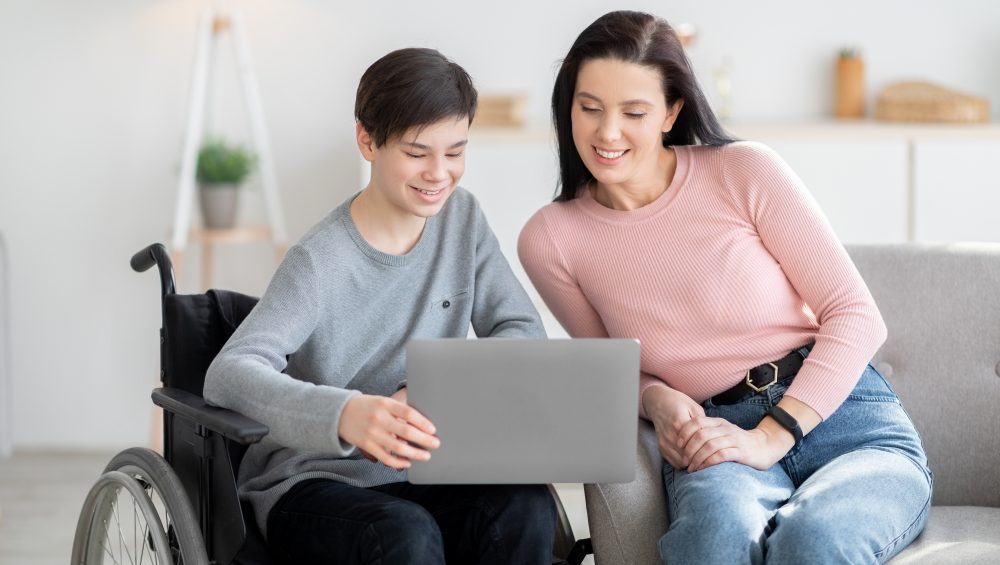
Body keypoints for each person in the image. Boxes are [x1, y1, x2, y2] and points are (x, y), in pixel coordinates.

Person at [518, 10, 931, 564]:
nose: (606, 132)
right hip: (714, 433)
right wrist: (657, 399)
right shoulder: (551, 240)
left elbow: (855, 314)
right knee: (710, 544)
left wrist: (773, 434)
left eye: (633, 112)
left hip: (844, 419)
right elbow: (610, 366)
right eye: (588, 108)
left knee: (814, 541)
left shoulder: (744, 171)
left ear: (672, 112)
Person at [205, 47, 556, 565]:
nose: (440, 173)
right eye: (417, 152)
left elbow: (522, 330)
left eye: (455, 151)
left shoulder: (463, 220)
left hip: (428, 468)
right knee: (403, 534)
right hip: (314, 481)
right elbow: (229, 374)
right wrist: (345, 414)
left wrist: (442, 386)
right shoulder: (318, 260)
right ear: (367, 140)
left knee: (525, 505)